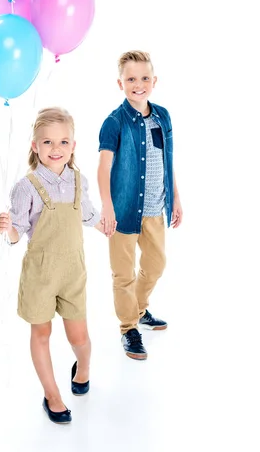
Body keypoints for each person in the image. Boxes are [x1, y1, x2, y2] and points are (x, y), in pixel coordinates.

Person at [0, 107, 112, 424]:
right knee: (41, 333)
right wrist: (8, 229)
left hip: (73, 272)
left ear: (73, 145)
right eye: (47, 142)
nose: (55, 149)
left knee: (79, 337)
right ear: (35, 146)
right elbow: (17, 233)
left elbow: (88, 215)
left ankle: (84, 366)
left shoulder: (78, 180)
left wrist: (109, 225)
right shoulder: (27, 186)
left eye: (63, 142)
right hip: (40, 275)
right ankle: (52, 395)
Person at [97, 51, 183, 360]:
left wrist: (175, 198)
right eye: (131, 79)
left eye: (145, 78)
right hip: (122, 213)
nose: (139, 84)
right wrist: (107, 207)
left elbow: (167, 160)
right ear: (120, 83)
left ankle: (139, 307)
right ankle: (128, 328)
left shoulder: (162, 116)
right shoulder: (114, 122)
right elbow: (104, 168)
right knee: (123, 273)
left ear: (154, 81)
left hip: (155, 209)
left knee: (156, 264)